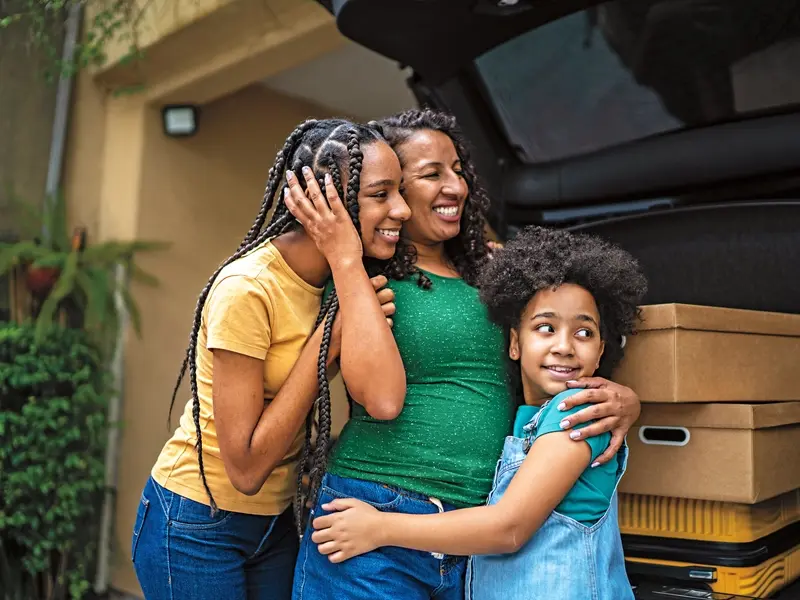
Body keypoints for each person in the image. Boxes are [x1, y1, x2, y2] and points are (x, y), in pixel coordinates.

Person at [289, 109, 642, 600]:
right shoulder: (366, 278)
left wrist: (624, 398)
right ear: (394, 189)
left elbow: (566, 344)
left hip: (473, 538)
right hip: (373, 518)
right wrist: (346, 260)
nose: (454, 186)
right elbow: (375, 397)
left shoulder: (497, 274)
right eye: (432, 174)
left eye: (458, 170)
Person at [131, 119, 410, 600]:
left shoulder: (343, 281)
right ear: (322, 202)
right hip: (196, 523)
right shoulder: (249, 288)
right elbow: (245, 467)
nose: (401, 209)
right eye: (380, 194)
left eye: (400, 190)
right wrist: (330, 339)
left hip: (275, 522)